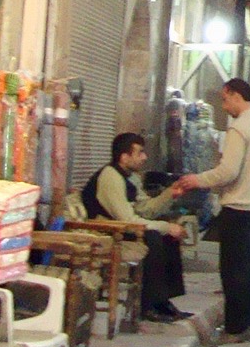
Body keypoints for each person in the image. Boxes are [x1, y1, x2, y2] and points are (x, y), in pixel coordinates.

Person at [172, 77, 250, 343]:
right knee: (247, 267)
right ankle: (249, 322)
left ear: (235, 95)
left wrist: (198, 180)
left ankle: (236, 328)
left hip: (238, 206)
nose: (224, 105)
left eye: (225, 99)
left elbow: (228, 171)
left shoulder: (240, 128)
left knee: (233, 270)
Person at [77, 132, 188, 324]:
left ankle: (163, 301)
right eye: (140, 153)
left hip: (124, 228)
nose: (144, 157)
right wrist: (165, 227)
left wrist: (171, 194)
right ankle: (149, 304)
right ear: (124, 157)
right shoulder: (110, 177)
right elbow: (126, 218)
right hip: (108, 231)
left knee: (167, 238)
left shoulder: (131, 178)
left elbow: (145, 209)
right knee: (154, 237)